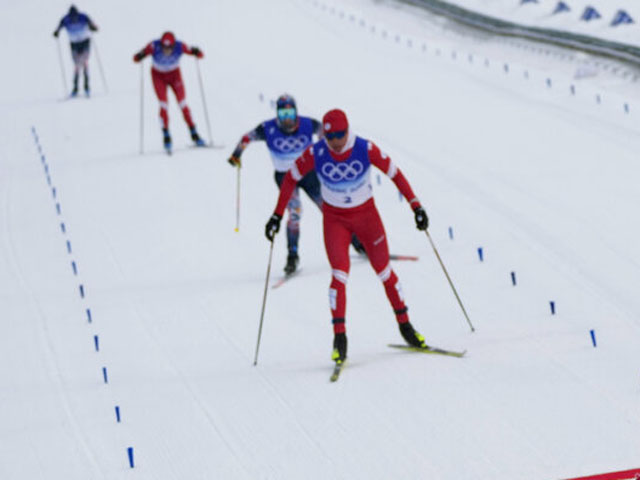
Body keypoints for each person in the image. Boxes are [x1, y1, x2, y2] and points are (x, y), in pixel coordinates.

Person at [265, 109, 430, 365]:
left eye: (340, 136)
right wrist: (276, 215)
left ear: (347, 130)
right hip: (335, 221)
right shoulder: (317, 152)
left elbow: (395, 174)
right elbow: (290, 179)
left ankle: (406, 326)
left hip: (367, 218)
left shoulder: (364, 147)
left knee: (384, 271)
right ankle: (340, 339)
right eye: (330, 137)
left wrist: (416, 206)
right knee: (340, 274)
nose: (336, 142)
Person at [228, 94, 365, 275]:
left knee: (329, 208)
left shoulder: (308, 124)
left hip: (309, 174)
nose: (287, 119)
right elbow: (247, 138)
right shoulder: (267, 128)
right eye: (283, 114)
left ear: (296, 112)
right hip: (285, 177)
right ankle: (292, 256)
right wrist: (236, 155)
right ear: (277, 114)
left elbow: (329, 133)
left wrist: (338, 152)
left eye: (290, 113)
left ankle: (357, 242)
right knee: (295, 212)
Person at [133, 32, 206, 153]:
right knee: (163, 104)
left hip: (174, 75)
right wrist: (140, 55)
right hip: (158, 76)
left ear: (173, 45)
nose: (166, 50)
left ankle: (194, 133)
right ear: (160, 45)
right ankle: (166, 136)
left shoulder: (180, 46)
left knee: (182, 103)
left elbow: (198, 54)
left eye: (169, 48)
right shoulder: (153, 46)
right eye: (164, 47)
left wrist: (196, 52)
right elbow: (136, 58)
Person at [53, 5, 98, 97]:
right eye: (72, 16)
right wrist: (56, 32)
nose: (74, 18)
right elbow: (59, 27)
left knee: (84, 63)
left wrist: (92, 27)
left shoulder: (83, 16)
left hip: (85, 42)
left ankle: (86, 88)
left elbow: (93, 25)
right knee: (77, 66)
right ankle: (75, 89)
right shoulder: (65, 19)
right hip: (74, 44)